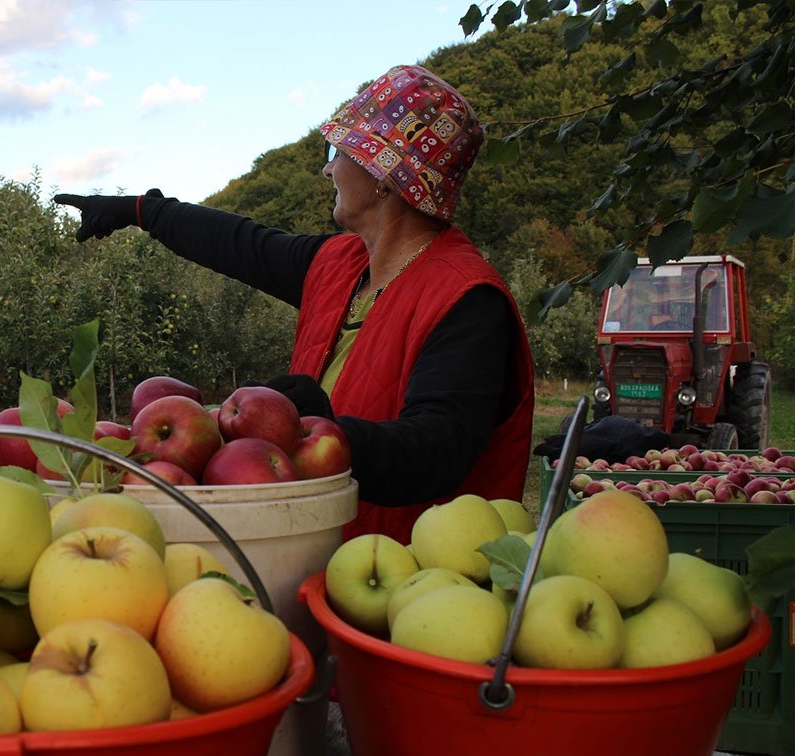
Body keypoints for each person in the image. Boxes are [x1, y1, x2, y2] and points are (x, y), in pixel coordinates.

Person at [55, 65, 535, 543]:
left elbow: (438, 450)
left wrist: (326, 430)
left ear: (384, 177)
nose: (327, 167)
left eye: (337, 152)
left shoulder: (468, 301)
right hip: (317, 550)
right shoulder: (340, 266)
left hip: (417, 583)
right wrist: (140, 209)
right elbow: (240, 243)